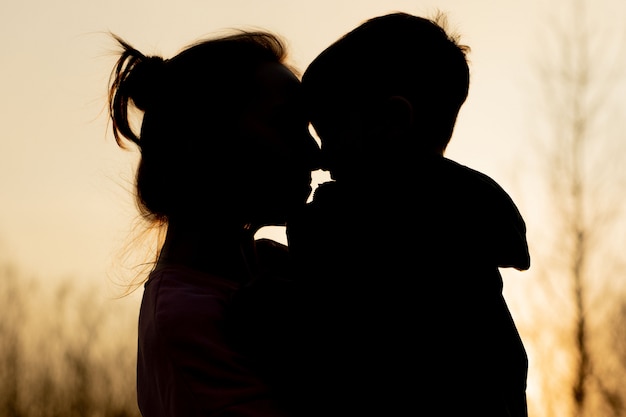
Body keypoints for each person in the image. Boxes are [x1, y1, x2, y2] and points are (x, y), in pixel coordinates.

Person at [283, 11, 532, 417]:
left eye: (329, 134)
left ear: (391, 122)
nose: (320, 156)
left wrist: (270, 306)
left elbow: (337, 349)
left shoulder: (365, 234)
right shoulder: (466, 233)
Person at [107, 29, 320, 417]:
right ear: (204, 141)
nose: (315, 153)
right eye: (287, 125)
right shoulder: (188, 323)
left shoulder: (271, 269)